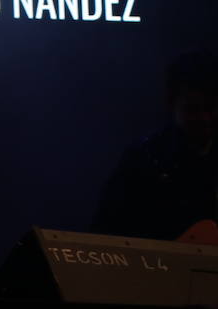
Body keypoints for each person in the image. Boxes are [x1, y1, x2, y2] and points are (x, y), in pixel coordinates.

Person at [92, 49, 218, 241]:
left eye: (211, 108)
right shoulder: (143, 159)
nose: (205, 119)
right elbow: (106, 231)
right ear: (171, 105)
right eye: (192, 109)